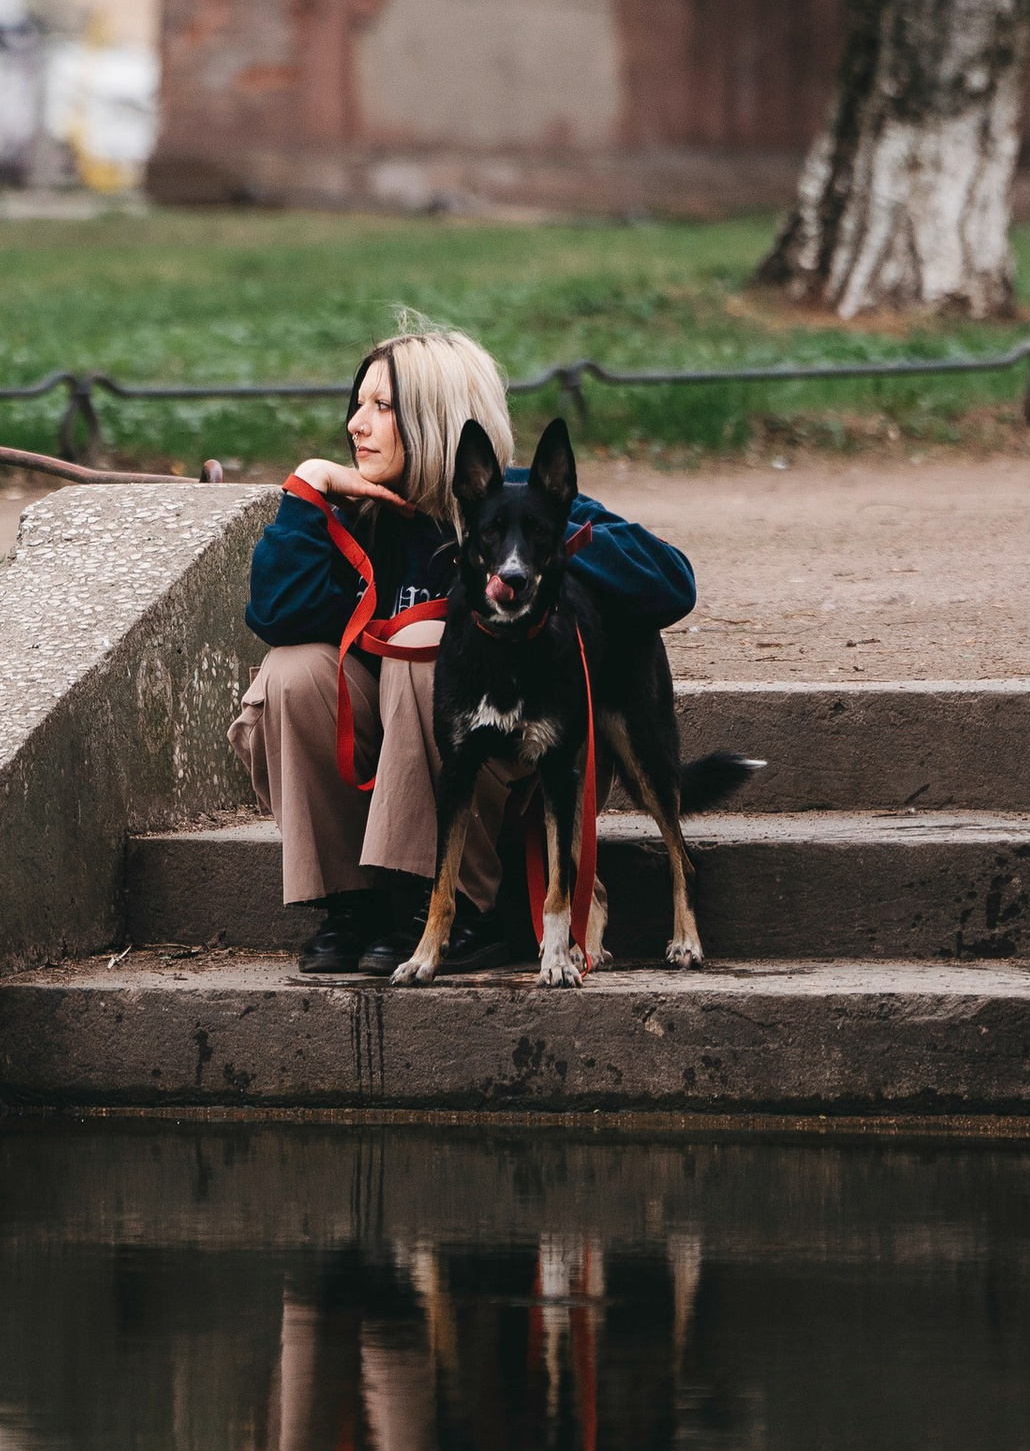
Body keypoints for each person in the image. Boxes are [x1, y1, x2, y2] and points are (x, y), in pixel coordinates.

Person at [229, 319, 696, 976]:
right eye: (356, 406)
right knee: (291, 672)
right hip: (396, 764)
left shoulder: (512, 509)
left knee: (426, 641)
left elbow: (671, 584)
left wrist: (536, 543)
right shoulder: (360, 517)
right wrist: (306, 492)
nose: (355, 426)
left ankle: (457, 908)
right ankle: (353, 905)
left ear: (438, 419)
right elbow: (278, 616)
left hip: (506, 769)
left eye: (381, 407)